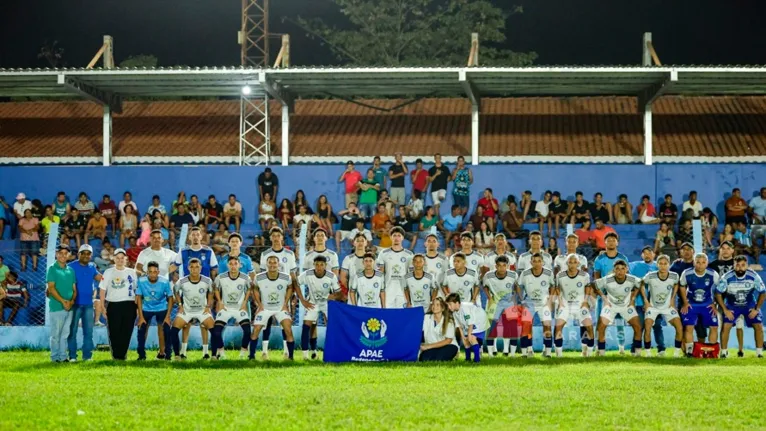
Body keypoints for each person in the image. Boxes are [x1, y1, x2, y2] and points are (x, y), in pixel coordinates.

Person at [169, 227, 219, 359]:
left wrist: (210, 303)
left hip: (203, 293)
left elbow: (214, 270)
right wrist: (179, 304)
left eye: (198, 234)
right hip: (187, 291)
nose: (196, 237)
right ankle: (181, 354)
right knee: (185, 325)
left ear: (201, 236)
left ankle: (208, 353)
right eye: (193, 235)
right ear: (189, 237)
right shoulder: (184, 251)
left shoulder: (208, 251)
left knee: (208, 326)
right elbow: (174, 268)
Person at [715, 256, 765, 358]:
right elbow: (718, 293)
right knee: (726, 326)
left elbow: (763, 292)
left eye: (743, 265)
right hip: (732, 305)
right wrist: (725, 309)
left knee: (758, 325)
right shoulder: (726, 277)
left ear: (747, 265)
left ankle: (759, 353)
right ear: (734, 265)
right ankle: (724, 352)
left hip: (749, 305)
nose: (740, 268)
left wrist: (756, 309)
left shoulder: (754, 276)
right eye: (737, 265)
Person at [594, 260, 643, 356]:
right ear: (613, 270)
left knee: (637, 326)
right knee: (601, 327)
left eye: (622, 269)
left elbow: (640, 283)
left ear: (626, 270)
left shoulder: (632, 279)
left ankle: (637, 353)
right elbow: (595, 285)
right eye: (617, 269)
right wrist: (604, 298)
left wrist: (633, 299)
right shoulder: (608, 279)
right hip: (611, 306)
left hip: (626, 306)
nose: (620, 271)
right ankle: (601, 352)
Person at [169, 258, 215, 361]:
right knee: (173, 331)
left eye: (197, 267)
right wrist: (180, 305)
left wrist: (208, 306)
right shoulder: (182, 281)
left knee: (215, 331)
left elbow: (211, 292)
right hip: (187, 310)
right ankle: (177, 355)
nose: (194, 269)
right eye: (192, 267)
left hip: (202, 310)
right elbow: (175, 291)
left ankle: (212, 355)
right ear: (188, 268)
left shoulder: (207, 280)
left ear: (201, 268)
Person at [640, 255, 684, 357]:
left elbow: (676, 284)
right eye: (660, 264)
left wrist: (673, 299)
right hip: (653, 307)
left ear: (669, 264)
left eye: (665, 264)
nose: (663, 266)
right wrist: (646, 301)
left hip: (667, 307)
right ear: (657, 264)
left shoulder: (674, 276)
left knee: (679, 327)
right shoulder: (650, 276)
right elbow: (641, 284)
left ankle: (676, 353)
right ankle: (648, 353)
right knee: (647, 328)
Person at [298, 255, 341, 360]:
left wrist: (333, 296)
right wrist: (302, 300)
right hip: (312, 303)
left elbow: (339, 293)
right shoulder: (307, 274)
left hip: (326, 304)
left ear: (325, 266)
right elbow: (295, 283)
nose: (319, 267)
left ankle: (333, 351)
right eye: (316, 264)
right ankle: (306, 355)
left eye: (321, 264)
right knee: (307, 326)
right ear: (313, 265)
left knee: (331, 326)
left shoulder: (331, 276)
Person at [99, 248, 139, 361]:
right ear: (114, 259)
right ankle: (116, 355)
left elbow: (137, 291)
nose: (120, 260)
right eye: (117, 258)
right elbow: (102, 289)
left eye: (122, 258)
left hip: (129, 304)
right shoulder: (108, 272)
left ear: (126, 259)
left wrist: (137, 307)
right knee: (114, 331)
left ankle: (122, 355)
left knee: (126, 331)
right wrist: (102, 306)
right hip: (113, 304)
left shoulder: (132, 272)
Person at [210, 256, 253, 360]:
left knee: (247, 331)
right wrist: (219, 301)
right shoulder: (220, 277)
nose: (233, 266)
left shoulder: (245, 277)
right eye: (231, 264)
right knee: (216, 331)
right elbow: (215, 288)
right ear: (227, 265)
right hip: (225, 308)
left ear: (239, 265)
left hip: (239, 309)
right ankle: (222, 354)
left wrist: (244, 303)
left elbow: (249, 289)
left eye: (235, 264)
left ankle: (242, 355)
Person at [678, 253, 720, 356]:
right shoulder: (687, 273)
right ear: (694, 262)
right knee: (689, 327)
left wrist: (715, 304)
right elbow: (682, 287)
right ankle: (689, 352)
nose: (700, 265)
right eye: (698, 262)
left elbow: (719, 290)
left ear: (707, 263)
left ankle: (711, 352)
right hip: (692, 304)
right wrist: (685, 302)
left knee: (714, 327)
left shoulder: (713, 274)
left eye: (703, 262)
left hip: (707, 305)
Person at [67, 245, 102, 362]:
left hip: (88, 304)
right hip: (74, 304)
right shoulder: (70, 266)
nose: (86, 255)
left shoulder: (92, 267)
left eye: (88, 254)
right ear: (79, 254)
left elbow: (100, 278)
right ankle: (72, 356)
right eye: (84, 253)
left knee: (88, 332)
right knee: (72, 331)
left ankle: (87, 356)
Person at [554, 254, 594, 357]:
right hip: (565, 304)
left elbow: (588, 288)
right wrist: (560, 302)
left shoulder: (585, 275)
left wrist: (585, 301)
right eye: (570, 262)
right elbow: (557, 289)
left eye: (574, 262)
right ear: (566, 263)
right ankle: (559, 355)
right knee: (558, 327)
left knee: (588, 327)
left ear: (578, 263)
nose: (572, 264)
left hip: (580, 304)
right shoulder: (560, 275)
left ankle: (587, 353)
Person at [709, 241, 744, 356]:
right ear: (720, 250)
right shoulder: (713, 264)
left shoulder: (738, 263)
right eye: (723, 248)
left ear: (733, 250)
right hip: (719, 300)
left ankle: (740, 350)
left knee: (739, 325)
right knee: (722, 325)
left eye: (728, 248)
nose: (725, 250)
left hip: (736, 300)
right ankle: (723, 350)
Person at [516, 253, 555, 357]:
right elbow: (518, 287)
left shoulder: (548, 273)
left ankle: (547, 352)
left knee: (547, 326)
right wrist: (522, 301)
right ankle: (527, 352)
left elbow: (553, 286)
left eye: (539, 261)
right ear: (531, 262)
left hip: (544, 304)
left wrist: (550, 301)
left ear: (543, 262)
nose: (537, 263)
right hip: (529, 303)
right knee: (526, 327)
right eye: (534, 261)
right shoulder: (525, 273)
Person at [136, 261, 174, 360]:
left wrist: (168, 316)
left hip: (161, 307)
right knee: (141, 329)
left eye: (154, 272)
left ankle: (167, 355)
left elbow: (170, 298)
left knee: (166, 329)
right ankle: (141, 355)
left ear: (158, 272)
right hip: (146, 308)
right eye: (150, 272)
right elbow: (139, 297)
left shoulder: (164, 281)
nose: (152, 274)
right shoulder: (141, 281)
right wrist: (140, 316)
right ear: (147, 272)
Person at [482, 255, 519, 357]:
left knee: (511, 327)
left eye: (504, 265)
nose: (502, 268)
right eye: (499, 266)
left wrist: (514, 299)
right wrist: (489, 298)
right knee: (491, 328)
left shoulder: (513, 275)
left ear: (508, 266)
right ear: (495, 266)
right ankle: (490, 354)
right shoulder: (488, 276)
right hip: (495, 303)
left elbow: (516, 287)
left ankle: (509, 353)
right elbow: (484, 286)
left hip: (508, 303)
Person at [628, 246, 662, 354]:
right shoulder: (635, 265)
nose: (647, 255)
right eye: (644, 253)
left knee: (657, 325)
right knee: (639, 326)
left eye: (649, 252)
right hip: (639, 302)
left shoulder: (659, 266)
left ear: (654, 254)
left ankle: (661, 349)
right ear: (642, 255)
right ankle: (635, 349)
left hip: (656, 303)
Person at [46, 246, 76, 362]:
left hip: (69, 307)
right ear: (56, 254)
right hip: (57, 307)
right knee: (56, 335)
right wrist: (63, 301)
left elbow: (74, 289)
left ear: (68, 255)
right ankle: (55, 357)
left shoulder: (71, 270)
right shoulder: (52, 269)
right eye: (60, 253)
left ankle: (63, 357)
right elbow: (51, 288)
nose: (63, 255)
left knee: (65, 334)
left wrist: (72, 301)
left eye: (65, 253)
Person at [376, 227, 414, 309]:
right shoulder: (383, 253)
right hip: (388, 289)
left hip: (403, 290)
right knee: (388, 315)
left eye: (399, 236)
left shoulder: (409, 254)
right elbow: (380, 273)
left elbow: (411, 275)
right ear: (390, 237)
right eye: (394, 235)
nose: (396, 238)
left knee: (402, 315)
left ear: (403, 238)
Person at [445, 293, 487, 363]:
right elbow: (459, 326)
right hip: (470, 323)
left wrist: (469, 335)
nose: (448, 307)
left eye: (450, 304)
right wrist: (463, 337)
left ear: (457, 303)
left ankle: (477, 360)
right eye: (448, 305)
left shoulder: (465, 309)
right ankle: (468, 359)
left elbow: (471, 323)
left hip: (479, 321)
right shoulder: (454, 312)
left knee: (472, 338)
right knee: (466, 340)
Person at [420, 297, 459, 362]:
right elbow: (419, 330)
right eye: (433, 304)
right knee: (423, 359)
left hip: (447, 346)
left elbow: (448, 341)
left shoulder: (448, 321)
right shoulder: (426, 318)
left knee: (439, 358)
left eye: (437, 305)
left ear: (443, 308)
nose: (434, 306)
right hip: (432, 347)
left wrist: (428, 347)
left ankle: (449, 356)